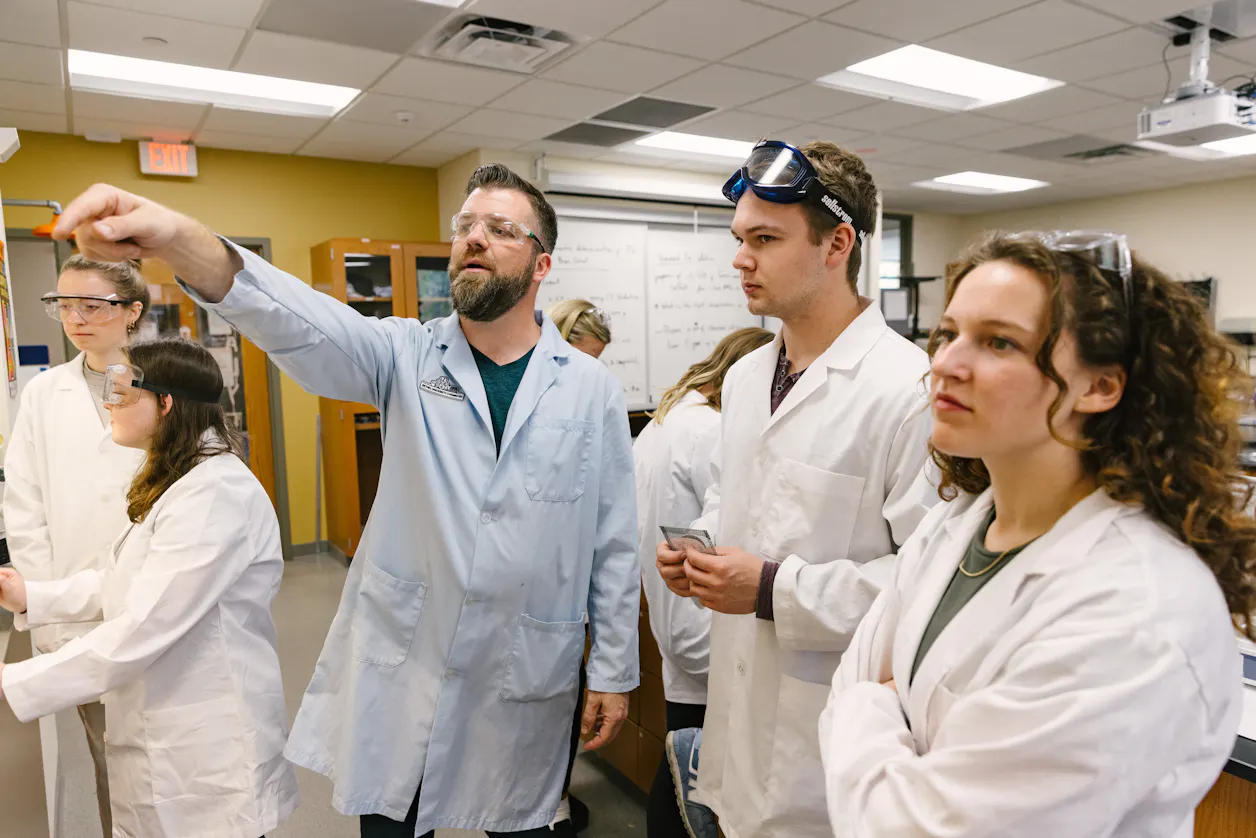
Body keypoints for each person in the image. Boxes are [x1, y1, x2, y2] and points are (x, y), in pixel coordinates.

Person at [53, 164, 641, 838]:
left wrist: (615, 670)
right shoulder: (406, 355)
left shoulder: (590, 388)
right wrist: (177, 235)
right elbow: (297, 319)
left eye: (500, 230)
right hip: (407, 659)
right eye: (464, 227)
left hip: (523, 663)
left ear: (541, 265)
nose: (473, 239)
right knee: (390, 825)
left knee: (520, 823)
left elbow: (613, 540)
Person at [819, 231, 1255, 838]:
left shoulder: (1137, 611)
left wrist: (868, 705)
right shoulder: (959, 522)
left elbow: (912, 829)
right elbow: (855, 677)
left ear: (1101, 385)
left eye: (999, 342)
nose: (944, 362)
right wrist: (878, 705)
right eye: (948, 335)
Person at [655, 140, 936, 838]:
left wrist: (775, 588)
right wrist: (706, 552)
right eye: (739, 239)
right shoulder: (749, 377)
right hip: (734, 741)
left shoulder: (911, 389)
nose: (740, 258)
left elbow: (930, 586)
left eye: (765, 239)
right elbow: (742, 501)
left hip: (828, 761)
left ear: (837, 243)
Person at [0, 336, 298, 838]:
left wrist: (13, 684)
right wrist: (35, 596)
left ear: (166, 403)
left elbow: (143, 626)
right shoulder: (180, 479)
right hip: (169, 735)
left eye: (121, 390)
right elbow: (128, 583)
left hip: (205, 750)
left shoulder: (213, 493)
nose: (108, 402)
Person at [2, 254, 151, 837]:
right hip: (75, 607)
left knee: (160, 754)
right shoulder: (44, 394)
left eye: (94, 304)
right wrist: (41, 601)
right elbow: (26, 503)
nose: (76, 318)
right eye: (64, 305)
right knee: (107, 758)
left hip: (156, 594)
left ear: (132, 311)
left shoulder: (165, 382)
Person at [635, 326, 773, 838]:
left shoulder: (666, 419)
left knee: (679, 758)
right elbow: (731, 522)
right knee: (695, 774)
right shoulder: (708, 428)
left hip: (674, 616)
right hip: (702, 622)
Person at [546, 298, 614, 835]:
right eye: (585, 357)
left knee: (562, 701)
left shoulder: (594, 401)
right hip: (536, 584)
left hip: (569, 590)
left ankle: (556, 797)